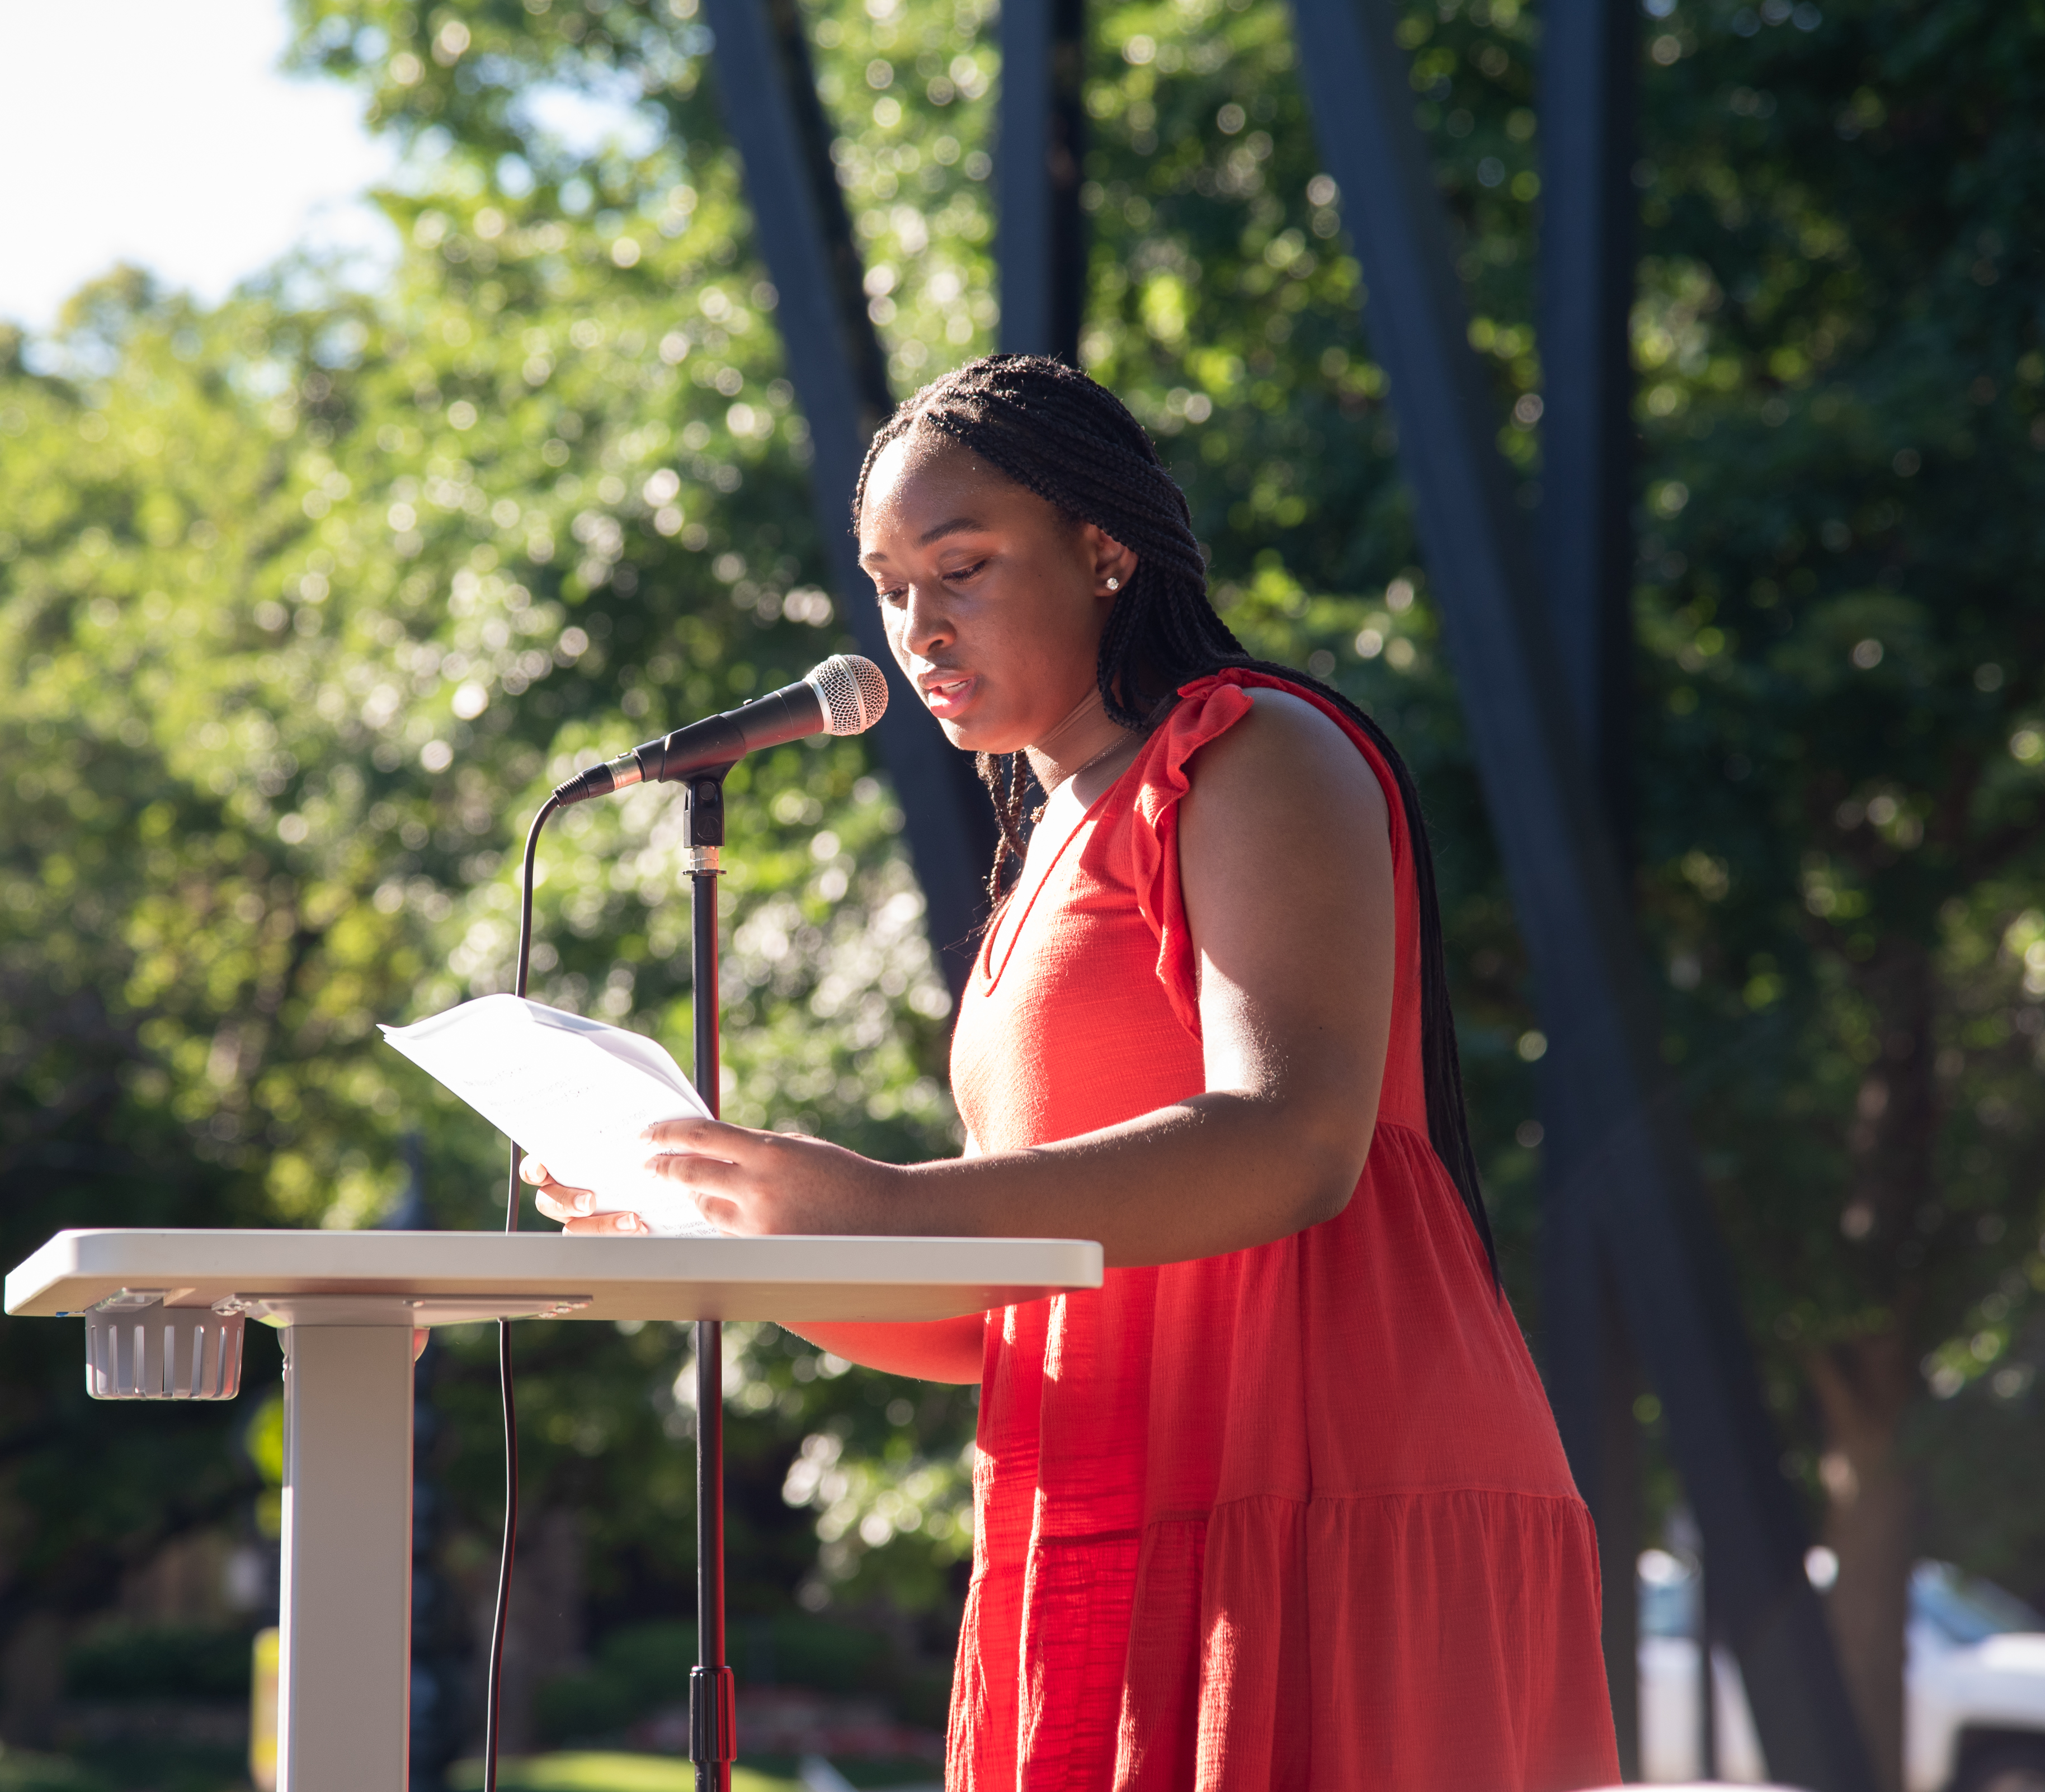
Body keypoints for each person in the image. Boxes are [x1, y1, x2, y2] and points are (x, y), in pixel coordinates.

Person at [531, 356, 1618, 1789]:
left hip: (1315, 1479)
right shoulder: (1042, 837)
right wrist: (739, 1246)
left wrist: (888, 1198)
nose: (915, 625)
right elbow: (1017, 1310)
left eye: (961, 567)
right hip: (1105, 1503)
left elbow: (1292, 1141)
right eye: (886, 583)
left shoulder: (1246, 751)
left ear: (1103, 551)